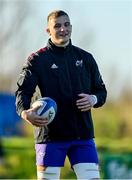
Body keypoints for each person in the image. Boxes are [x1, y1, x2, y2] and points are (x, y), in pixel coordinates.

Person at [15, 10, 107, 180]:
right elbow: (22, 93)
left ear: (71, 27)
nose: (63, 29)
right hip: (50, 136)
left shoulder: (86, 58)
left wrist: (93, 99)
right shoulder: (37, 60)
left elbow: (101, 91)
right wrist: (25, 113)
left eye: (66, 24)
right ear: (48, 31)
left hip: (82, 136)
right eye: (57, 26)